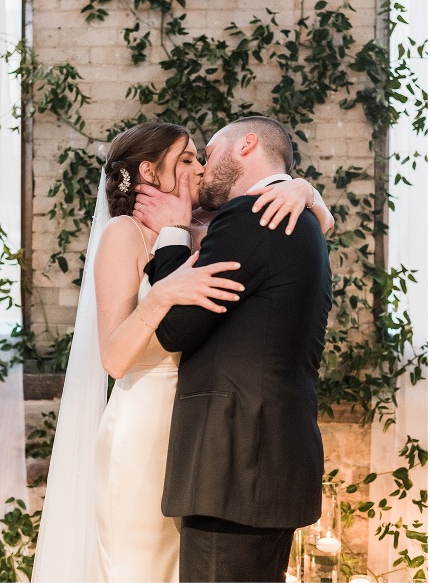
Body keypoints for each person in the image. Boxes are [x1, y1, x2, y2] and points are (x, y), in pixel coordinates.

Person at [31, 121, 334, 582]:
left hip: (205, 444)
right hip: (146, 433)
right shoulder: (124, 235)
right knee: (140, 567)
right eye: (188, 159)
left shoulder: (211, 228)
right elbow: (113, 358)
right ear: (151, 173)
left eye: (201, 156)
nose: (201, 168)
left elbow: (278, 232)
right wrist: (159, 296)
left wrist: (303, 189)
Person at [138, 116, 332, 582]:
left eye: (210, 148)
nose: (204, 164)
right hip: (270, 466)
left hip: (234, 465)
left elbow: (176, 327)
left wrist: (170, 235)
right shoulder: (300, 219)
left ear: (246, 144)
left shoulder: (251, 215)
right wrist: (311, 194)